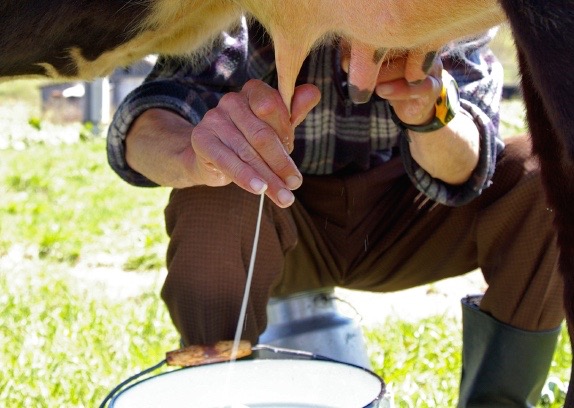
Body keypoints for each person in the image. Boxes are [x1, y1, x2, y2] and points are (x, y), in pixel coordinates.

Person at [107, 18, 563, 407]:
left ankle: (498, 399)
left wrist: (430, 114)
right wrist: (194, 155)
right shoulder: (239, 14)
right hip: (281, 222)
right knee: (218, 186)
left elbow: (468, 168)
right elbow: (151, 113)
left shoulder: (442, 12)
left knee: (550, 173)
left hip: (407, 221)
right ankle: (219, 390)